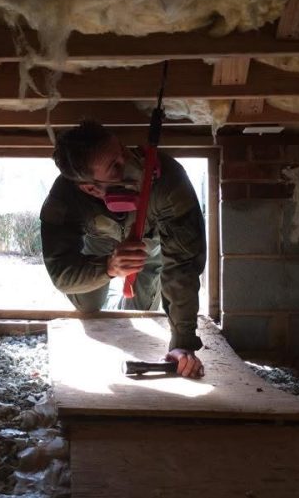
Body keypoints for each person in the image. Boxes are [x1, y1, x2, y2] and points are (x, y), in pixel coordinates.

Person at [40, 120, 206, 378]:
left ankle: (143, 276)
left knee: (141, 306)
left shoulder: (169, 181)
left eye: (123, 151)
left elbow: (183, 265)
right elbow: (61, 273)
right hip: (99, 247)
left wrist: (183, 342)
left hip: (150, 246)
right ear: (91, 188)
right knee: (88, 306)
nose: (130, 165)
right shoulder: (63, 200)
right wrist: (108, 267)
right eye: (115, 167)